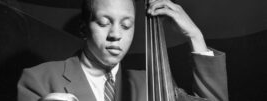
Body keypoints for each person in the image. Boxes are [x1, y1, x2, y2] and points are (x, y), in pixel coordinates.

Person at [17, 0, 228, 101]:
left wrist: (195, 36)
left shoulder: (152, 83)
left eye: (126, 25)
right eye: (103, 22)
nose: (116, 34)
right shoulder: (37, 79)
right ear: (84, 28)